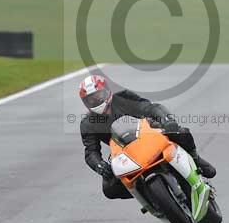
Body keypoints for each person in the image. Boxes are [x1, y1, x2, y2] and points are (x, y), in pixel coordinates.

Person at [78, 74, 216, 199]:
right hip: (123, 151)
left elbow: (151, 108)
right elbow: (91, 151)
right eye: (90, 100)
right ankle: (147, 193)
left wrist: (167, 120)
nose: (95, 101)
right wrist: (99, 166)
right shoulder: (88, 124)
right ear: (85, 102)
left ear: (107, 91)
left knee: (181, 132)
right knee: (109, 189)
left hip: (149, 132)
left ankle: (196, 159)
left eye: (98, 95)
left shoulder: (123, 97)